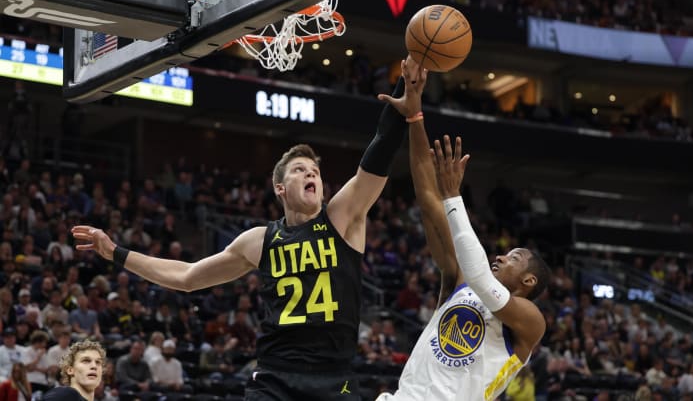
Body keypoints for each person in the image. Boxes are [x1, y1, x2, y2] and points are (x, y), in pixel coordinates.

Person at [72, 55, 413, 401]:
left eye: (315, 171)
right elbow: (187, 277)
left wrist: (403, 102)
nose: (311, 174)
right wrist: (115, 252)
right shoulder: (260, 240)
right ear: (280, 187)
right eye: (299, 169)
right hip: (274, 379)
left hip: (332, 379)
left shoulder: (342, 218)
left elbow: (379, 152)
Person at [376, 57, 551, 400]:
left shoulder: (530, 321)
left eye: (514, 257)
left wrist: (454, 197)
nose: (501, 256)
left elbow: (484, 282)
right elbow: (427, 196)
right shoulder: (461, 280)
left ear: (528, 281)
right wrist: (414, 116)